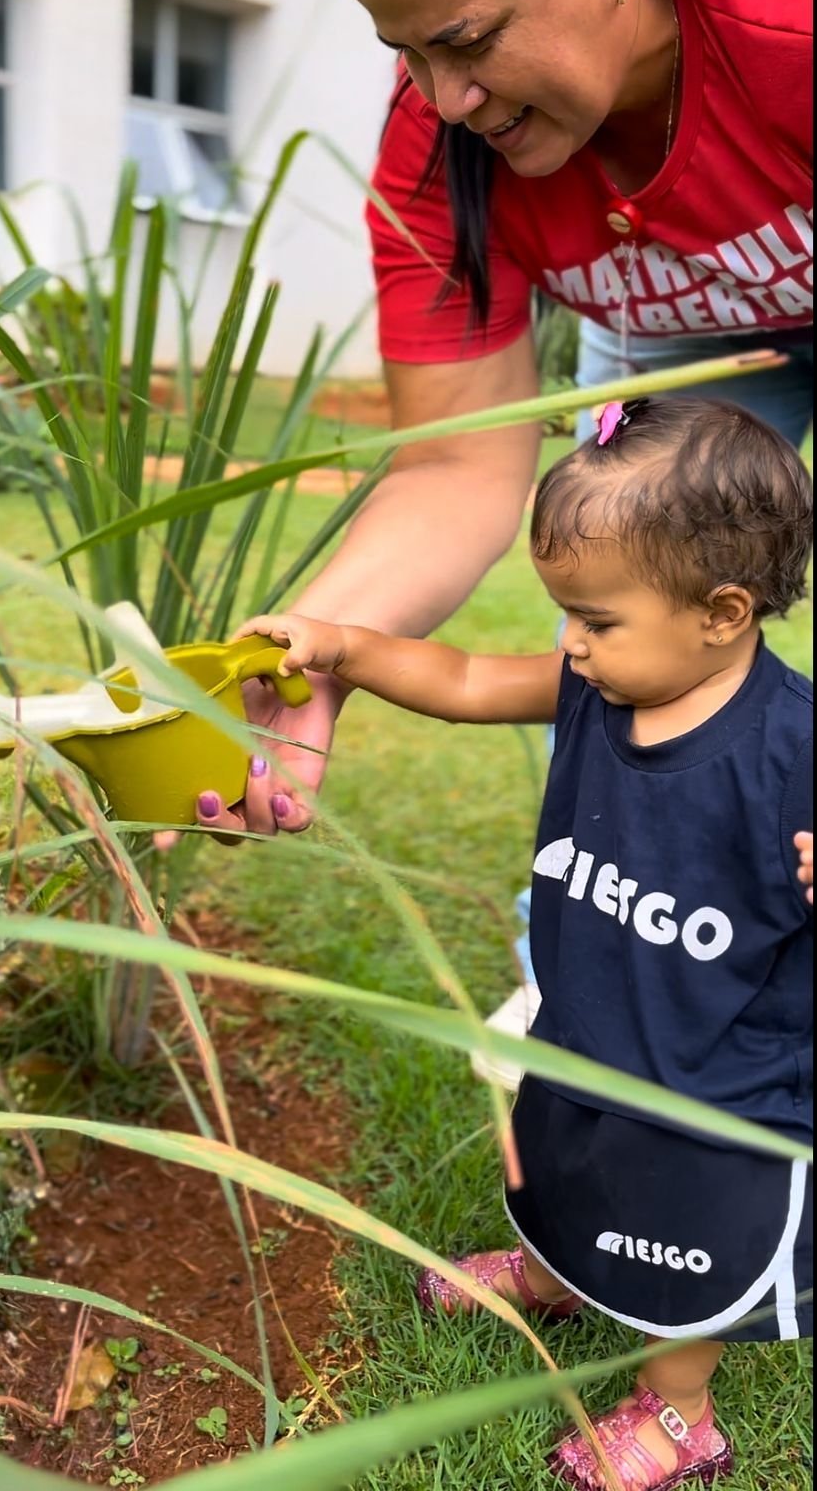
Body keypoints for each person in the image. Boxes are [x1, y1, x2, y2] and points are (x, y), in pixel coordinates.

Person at [160, 0, 812, 867]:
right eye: (408, 54)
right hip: (683, 335)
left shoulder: (790, 18)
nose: (445, 99)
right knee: (629, 627)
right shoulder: (436, 152)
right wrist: (307, 658)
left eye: (468, 40)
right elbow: (454, 468)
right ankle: (594, 916)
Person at [234, 396, 813, 1489]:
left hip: (717, 1089)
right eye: (564, 616)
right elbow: (459, 681)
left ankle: (679, 1412)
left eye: (595, 619)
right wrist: (343, 646)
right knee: (566, 1164)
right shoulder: (593, 689)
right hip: (590, 1025)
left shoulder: (796, 750)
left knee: (684, 1245)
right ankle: (556, 1276)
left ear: (722, 612)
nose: (570, 643)